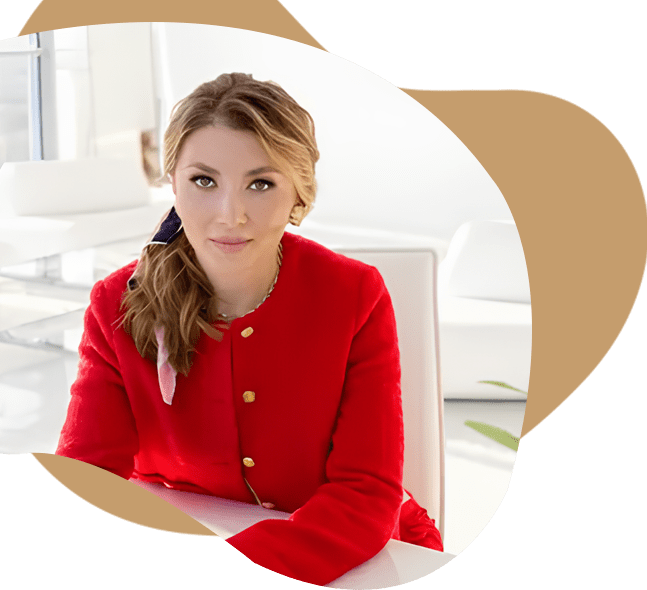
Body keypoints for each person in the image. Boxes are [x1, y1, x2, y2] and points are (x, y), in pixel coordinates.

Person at [56, 73, 443, 585]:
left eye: (260, 184)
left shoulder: (355, 294)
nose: (230, 215)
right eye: (203, 181)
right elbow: (85, 478)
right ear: (173, 182)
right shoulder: (115, 304)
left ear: (298, 194)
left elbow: (365, 492)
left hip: (360, 553)